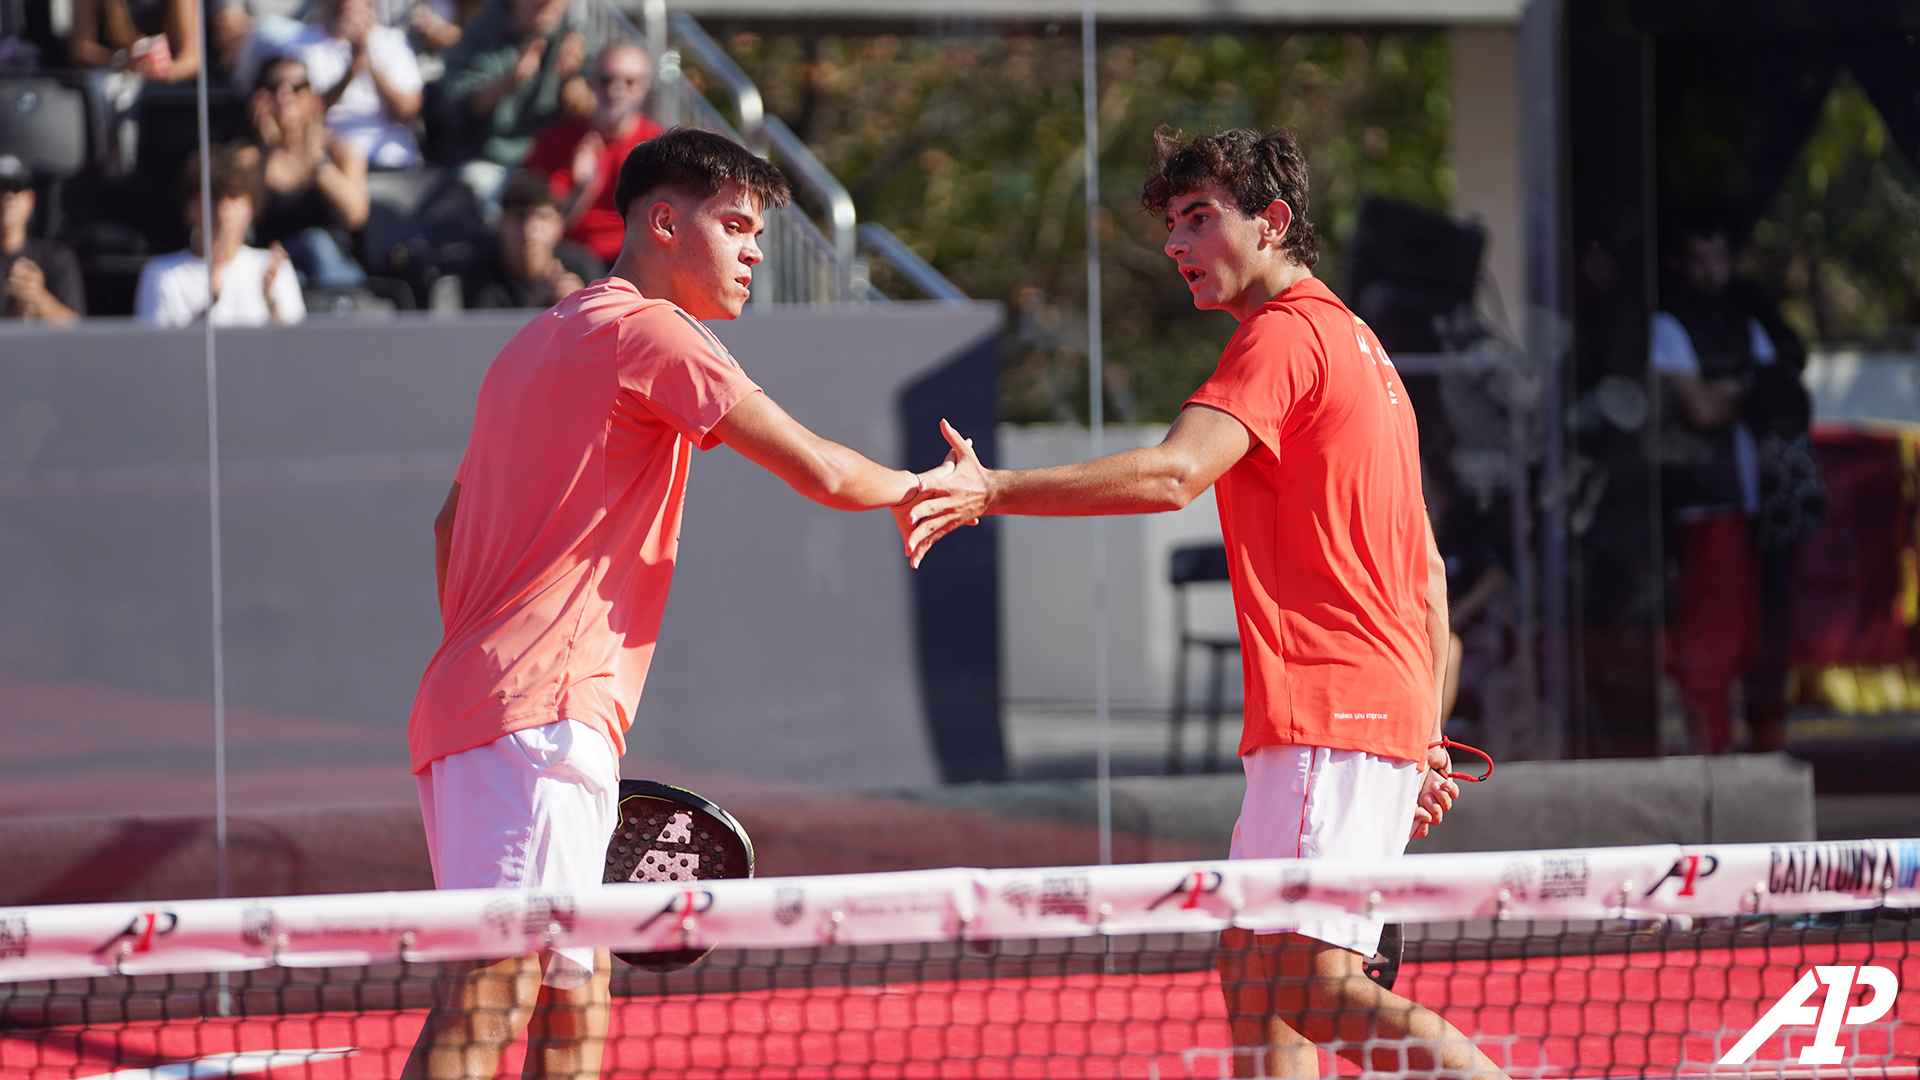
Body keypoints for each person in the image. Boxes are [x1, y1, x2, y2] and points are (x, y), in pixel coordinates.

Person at [903, 127, 1502, 1080]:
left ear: (1272, 223)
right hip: (1362, 721)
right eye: (1171, 224)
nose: (1177, 243)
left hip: (1331, 717)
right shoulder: (1364, 348)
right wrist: (1419, 735)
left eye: (1200, 217)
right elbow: (1425, 579)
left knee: (1311, 988)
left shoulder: (1285, 336)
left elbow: (1175, 473)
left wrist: (991, 490)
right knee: (1254, 978)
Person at [402, 127, 948, 1080]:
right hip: (535, 720)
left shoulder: (536, 341)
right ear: (662, 222)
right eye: (734, 226)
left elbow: (448, 528)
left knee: (578, 1007)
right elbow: (820, 468)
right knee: (486, 1010)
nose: (751, 253)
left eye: (758, 235)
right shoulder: (647, 330)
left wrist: (501, 663)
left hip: (496, 713)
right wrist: (934, 488)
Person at [1651, 218, 1814, 753]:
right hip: (1704, 504)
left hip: (1755, 505)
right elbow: (1698, 408)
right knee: (1711, 644)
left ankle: (1760, 755)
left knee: (1755, 638)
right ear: (1677, 263)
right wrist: (1746, 386)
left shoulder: (1745, 320)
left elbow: (1777, 391)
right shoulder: (1668, 324)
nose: (1711, 271)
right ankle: (1714, 763)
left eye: (1718, 257)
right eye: (1698, 258)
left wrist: (1733, 387)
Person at [442, 0, 602, 212]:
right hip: (491, 162)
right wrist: (510, 80)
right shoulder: (482, 32)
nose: (544, 3)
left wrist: (568, 79)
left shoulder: (578, 39)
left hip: (553, 167)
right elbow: (454, 107)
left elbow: (591, 114)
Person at [523, 39, 662, 266]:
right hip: (571, 259)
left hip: (638, 261)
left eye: (629, 82)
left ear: (644, 87)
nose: (617, 90)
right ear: (592, 82)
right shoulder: (555, 141)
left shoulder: (661, 146)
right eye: (607, 79)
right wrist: (583, 190)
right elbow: (537, 229)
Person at [135, 147, 306, 327]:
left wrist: (271, 302)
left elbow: (297, 346)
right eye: (213, 199)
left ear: (249, 208)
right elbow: (157, 350)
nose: (223, 211)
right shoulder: (162, 275)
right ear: (190, 210)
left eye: (233, 197)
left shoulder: (272, 268)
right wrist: (209, 303)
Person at [241, 56, 371, 289]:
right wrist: (266, 152)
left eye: (296, 86)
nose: (284, 95)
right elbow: (247, 220)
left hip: (334, 272)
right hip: (274, 269)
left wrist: (317, 160)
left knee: (316, 243)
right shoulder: (249, 159)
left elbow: (354, 215)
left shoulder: (341, 151)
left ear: (314, 100)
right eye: (273, 87)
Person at [275, 0, 426, 169]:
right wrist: (349, 74)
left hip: (393, 161)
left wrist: (367, 61)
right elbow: (301, 115)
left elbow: (407, 110)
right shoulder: (298, 47)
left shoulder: (393, 41)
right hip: (332, 164)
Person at [461, 169, 600, 309]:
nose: (530, 229)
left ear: (558, 224)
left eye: (543, 217)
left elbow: (607, 324)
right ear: (501, 223)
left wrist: (581, 305)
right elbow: (483, 329)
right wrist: (536, 306)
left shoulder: (583, 266)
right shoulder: (479, 273)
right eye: (519, 217)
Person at [0, 155, 85, 324]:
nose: (7, 198)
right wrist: (14, 315)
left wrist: (38, 296)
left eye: (15, 190)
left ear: (30, 200)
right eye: (1, 190)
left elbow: (78, 330)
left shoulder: (57, 259)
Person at [67, 0, 200, 82]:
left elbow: (192, 58)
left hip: (164, 94)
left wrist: (162, 71)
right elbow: (80, 49)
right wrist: (121, 61)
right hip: (112, 89)